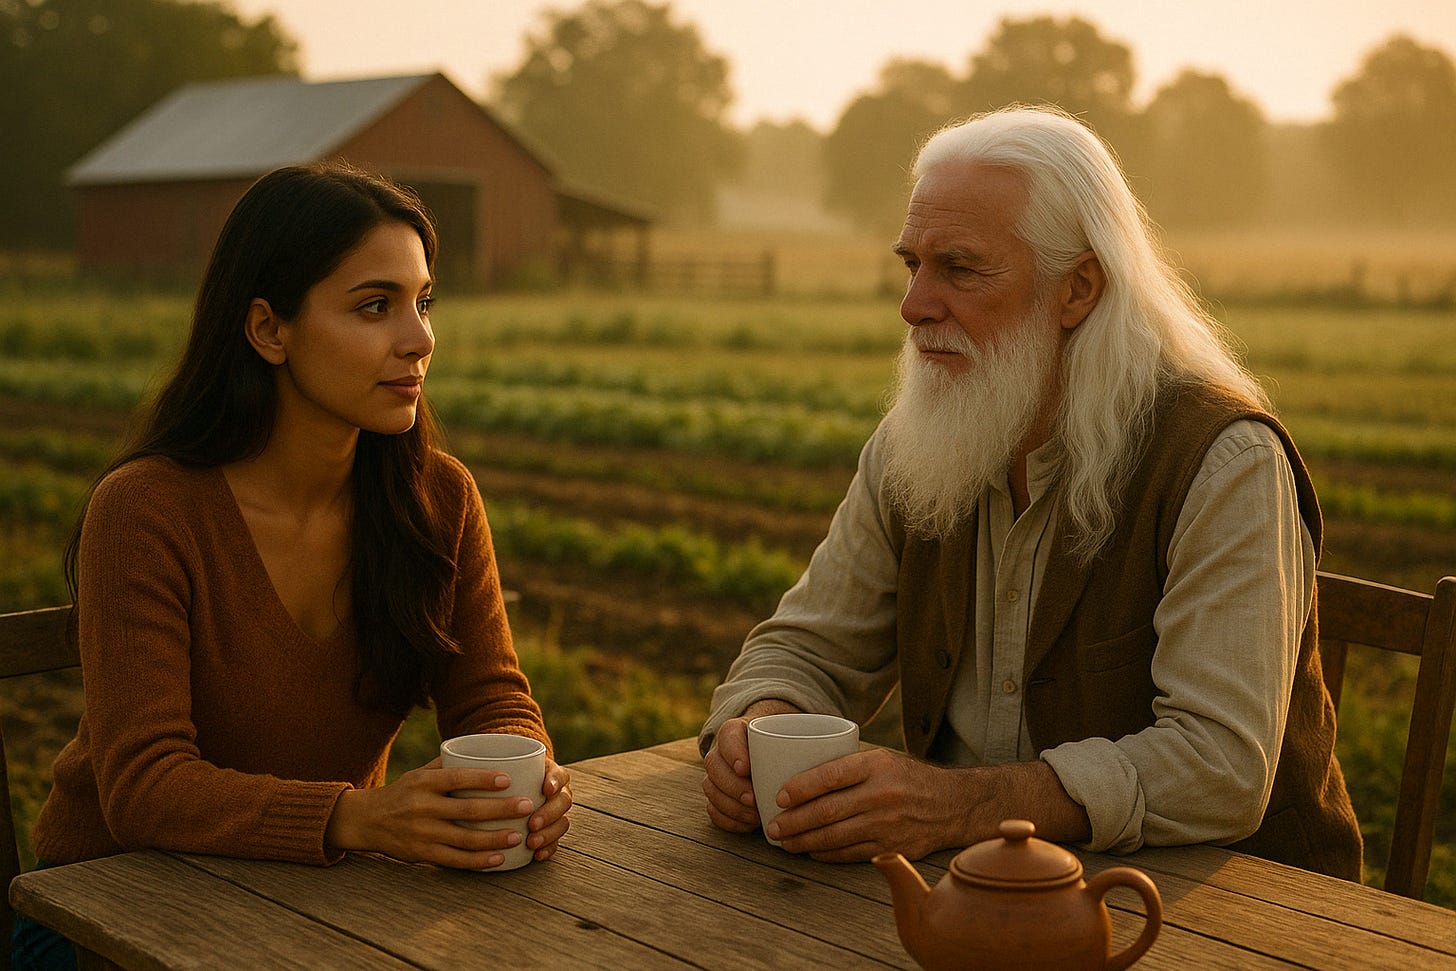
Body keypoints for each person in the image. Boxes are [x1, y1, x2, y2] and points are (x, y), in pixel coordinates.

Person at [699, 106, 1362, 880]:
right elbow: (805, 647)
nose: (914, 304)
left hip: (1218, 915)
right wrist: (758, 727)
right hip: (969, 898)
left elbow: (1218, 765)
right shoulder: (920, 444)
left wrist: (961, 804)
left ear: (1078, 289)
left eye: (960, 267)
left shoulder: (1222, 462)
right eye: (912, 264)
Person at [17, 162, 571, 968]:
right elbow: (144, 783)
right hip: (111, 912)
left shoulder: (437, 499)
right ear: (268, 329)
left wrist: (530, 778)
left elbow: (490, 695)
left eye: (424, 302)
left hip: (312, 908)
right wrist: (357, 817)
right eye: (374, 306)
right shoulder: (147, 509)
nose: (419, 339)